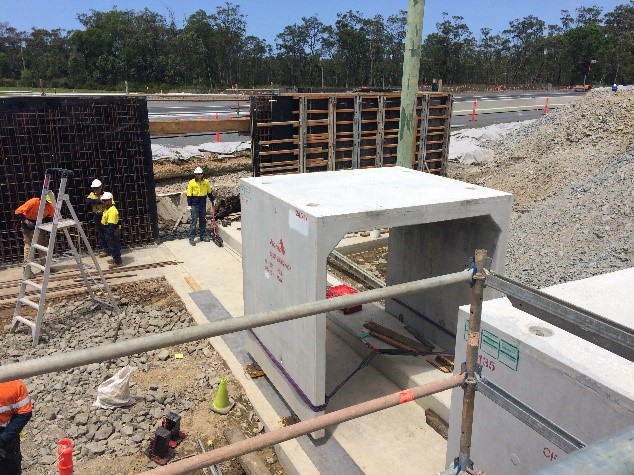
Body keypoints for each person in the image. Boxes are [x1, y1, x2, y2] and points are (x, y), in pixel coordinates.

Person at [14, 193, 56, 278]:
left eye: (48, 203)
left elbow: (53, 216)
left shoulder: (50, 205)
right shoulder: (33, 202)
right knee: (29, 247)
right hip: (28, 226)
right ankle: (27, 271)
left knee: (42, 247)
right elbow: (18, 212)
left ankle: (45, 267)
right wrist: (27, 222)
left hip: (39, 225)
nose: (46, 204)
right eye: (46, 202)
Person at [0, 379, 33, 475]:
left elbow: (24, 413)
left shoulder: (13, 385)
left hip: (5, 435)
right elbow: (24, 413)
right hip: (6, 434)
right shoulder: (14, 385)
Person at [186, 166, 214, 246]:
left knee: (203, 220)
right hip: (194, 204)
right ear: (195, 175)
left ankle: (202, 236)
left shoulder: (206, 182)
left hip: (202, 204)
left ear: (202, 174)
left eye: (199, 174)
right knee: (194, 221)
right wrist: (189, 205)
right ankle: (191, 238)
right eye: (196, 174)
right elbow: (189, 194)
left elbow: (209, 192)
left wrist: (213, 199)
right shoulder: (191, 182)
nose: (198, 175)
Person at [85, 179, 109, 257]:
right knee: (102, 234)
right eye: (95, 188)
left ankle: (112, 250)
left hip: (106, 216)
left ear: (101, 187)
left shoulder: (106, 194)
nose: (96, 189)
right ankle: (106, 250)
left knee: (108, 233)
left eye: (97, 187)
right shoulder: (92, 195)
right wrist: (98, 201)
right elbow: (88, 202)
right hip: (97, 217)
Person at [100, 192, 122, 268]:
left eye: (105, 200)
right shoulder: (108, 208)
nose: (103, 202)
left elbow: (111, 225)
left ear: (110, 200)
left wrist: (108, 234)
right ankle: (115, 259)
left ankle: (117, 261)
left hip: (111, 230)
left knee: (114, 246)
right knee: (111, 246)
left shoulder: (112, 211)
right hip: (107, 229)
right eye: (103, 200)